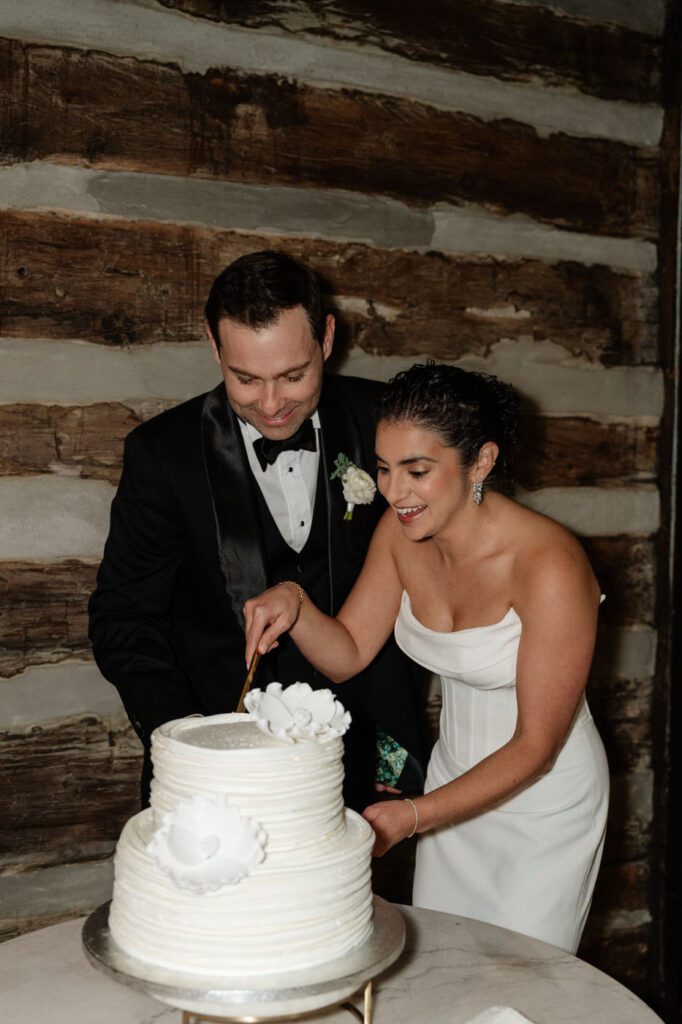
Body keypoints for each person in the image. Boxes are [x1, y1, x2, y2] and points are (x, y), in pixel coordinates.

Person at [244, 361, 609, 953]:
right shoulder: (399, 531)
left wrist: (414, 815)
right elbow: (349, 653)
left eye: (417, 471)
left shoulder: (550, 565)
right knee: (448, 971)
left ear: (481, 462)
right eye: (385, 469)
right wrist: (296, 602)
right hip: (451, 781)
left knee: (524, 980)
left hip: (543, 802)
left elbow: (537, 747)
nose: (393, 492)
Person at [88, 250, 425, 811]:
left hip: (365, 761)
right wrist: (188, 739)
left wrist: (398, 739)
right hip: (218, 764)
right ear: (214, 346)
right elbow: (124, 618)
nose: (271, 405)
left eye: (293, 376)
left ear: (327, 339)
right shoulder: (162, 454)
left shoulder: (387, 420)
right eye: (245, 378)